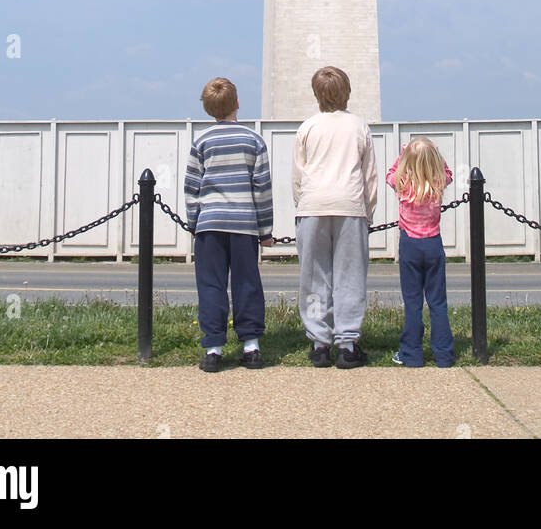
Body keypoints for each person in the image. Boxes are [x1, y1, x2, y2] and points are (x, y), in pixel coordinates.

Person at [184, 78, 274, 371]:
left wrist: (194, 222)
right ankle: (251, 345)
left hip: (210, 224)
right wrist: (265, 231)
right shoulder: (253, 141)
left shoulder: (202, 142)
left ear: (208, 109)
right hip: (244, 224)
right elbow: (262, 189)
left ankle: (213, 347)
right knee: (247, 283)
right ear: (237, 103)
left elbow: (192, 188)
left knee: (211, 285)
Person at [292, 66, 377, 369]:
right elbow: (369, 177)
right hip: (350, 204)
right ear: (347, 92)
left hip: (313, 205)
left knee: (314, 276)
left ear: (316, 94)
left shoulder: (308, 127)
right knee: (349, 276)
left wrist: (301, 204)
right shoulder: (358, 126)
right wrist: (368, 212)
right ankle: (348, 342)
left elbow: (298, 176)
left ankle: (319, 343)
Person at [386, 137, 455, 367]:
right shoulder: (438, 183)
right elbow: (448, 172)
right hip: (433, 243)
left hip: (410, 245)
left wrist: (404, 154)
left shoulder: (403, 183)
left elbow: (390, 174)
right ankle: (444, 354)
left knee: (413, 302)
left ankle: (411, 353)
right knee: (437, 302)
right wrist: (434, 154)